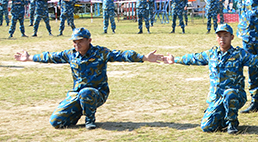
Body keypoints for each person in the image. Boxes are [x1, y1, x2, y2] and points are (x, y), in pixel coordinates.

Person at [14, 27, 160, 129]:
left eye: (80, 41)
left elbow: (121, 54)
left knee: (87, 92)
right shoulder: (70, 54)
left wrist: (144, 58)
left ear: (89, 40)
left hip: (97, 93)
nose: (76, 44)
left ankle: (90, 120)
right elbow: (50, 57)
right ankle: (78, 110)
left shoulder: (100, 52)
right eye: (74, 42)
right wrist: (29, 58)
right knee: (56, 122)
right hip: (77, 94)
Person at [160, 24, 258, 134]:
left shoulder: (239, 54)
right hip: (217, 97)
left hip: (235, 95)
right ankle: (222, 118)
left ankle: (232, 123)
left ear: (232, 37)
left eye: (225, 36)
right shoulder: (211, 54)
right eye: (219, 36)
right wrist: (174, 59)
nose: (222, 39)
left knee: (230, 93)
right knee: (207, 127)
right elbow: (193, 58)